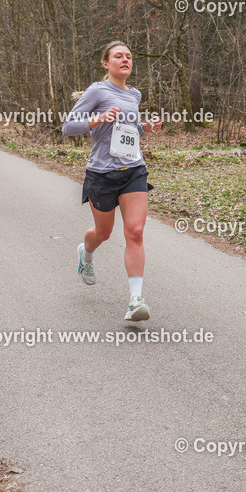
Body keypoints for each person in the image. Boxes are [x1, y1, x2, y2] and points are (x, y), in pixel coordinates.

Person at [62, 41, 162, 321]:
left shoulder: (135, 94)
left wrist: (145, 127)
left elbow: (127, 130)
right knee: (103, 233)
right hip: (102, 173)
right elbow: (68, 127)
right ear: (106, 64)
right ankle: (86, 252)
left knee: (136, 231)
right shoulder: (97, 91)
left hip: (133, 169)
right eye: (118, 56)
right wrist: (97, 119)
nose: (125, 60)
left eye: (129, 56)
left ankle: (135, 300)